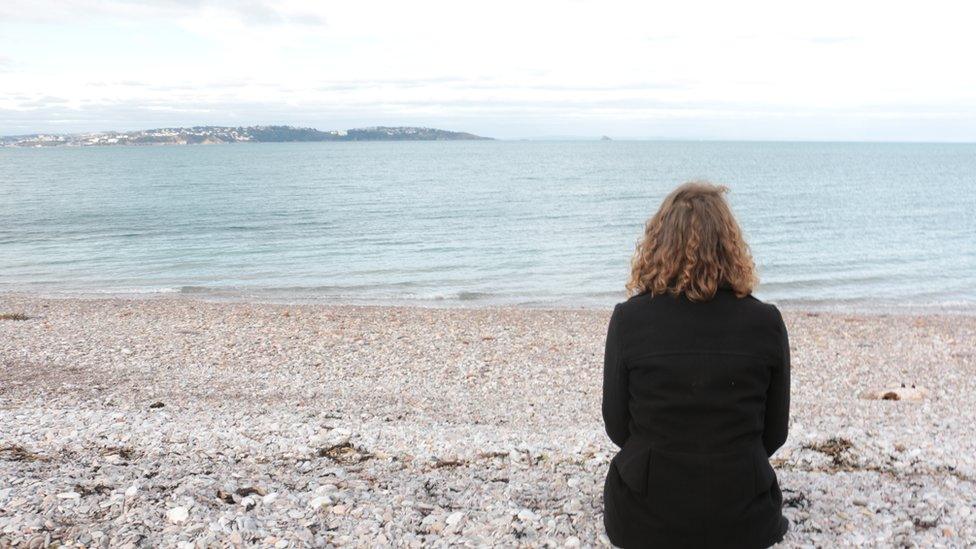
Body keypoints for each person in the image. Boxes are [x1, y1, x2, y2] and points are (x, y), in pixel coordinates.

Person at [602, 181, 790, 548]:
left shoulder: (629, 320)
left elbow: (617, 426)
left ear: (657, 244)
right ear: (730, 246)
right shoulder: (766, 322)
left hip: (644, 519)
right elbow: (774, 433)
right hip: (745, 518)